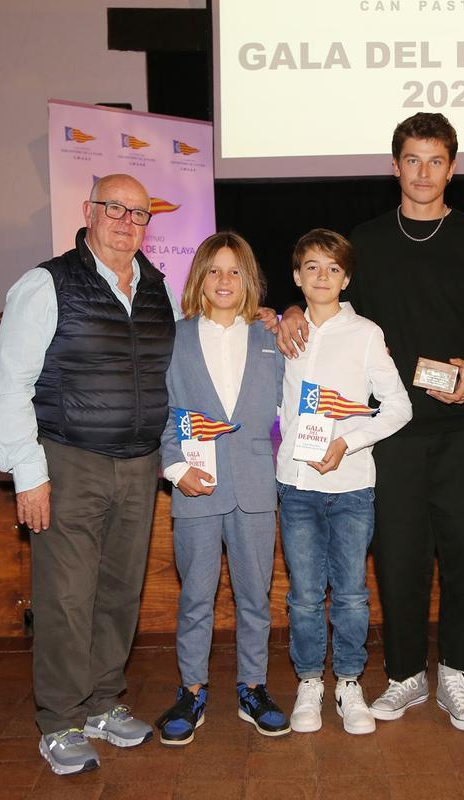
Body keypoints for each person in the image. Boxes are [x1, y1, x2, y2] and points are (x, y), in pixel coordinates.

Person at [278, 113, 464, 731]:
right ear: (395, 166)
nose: (424, 172)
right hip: (393, 431)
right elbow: (332, 295)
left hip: (461, 428)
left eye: (436, 161)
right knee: (400, 557)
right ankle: (406, 674)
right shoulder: (367, 241)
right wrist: (295, 308)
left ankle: (456, 673)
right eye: (412, 160)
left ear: (452, 168)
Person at [0, 174, 178, 775]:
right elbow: (9, 386)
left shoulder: (156, 286)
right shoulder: (46, 283)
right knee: (67, 598)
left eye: (138, 213)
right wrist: (28, 473)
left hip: (139, 462)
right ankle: (60, 721)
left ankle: (100, 703)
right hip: (69, 460)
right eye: (113, 208)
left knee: (120, 592)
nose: (126, 220)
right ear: (89, 211)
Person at [276, 229, 412, 736]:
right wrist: (282, 314)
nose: (322, 276)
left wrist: (347, 442)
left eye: (333, 269)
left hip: (353, 486)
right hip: (296, 486)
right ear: (296, 276)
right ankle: (310, 682)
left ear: (347, 277)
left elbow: (399, 407)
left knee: (352, 593)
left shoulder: (367, 334)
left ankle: (349, 682)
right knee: (305, 595)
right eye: (311, 267)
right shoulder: (286, 334)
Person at [155, 232, 289, 745]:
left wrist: (290, 314)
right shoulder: (176, 337)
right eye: (214, 270)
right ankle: (191, 691)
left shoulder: (270, 340)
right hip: (195, 487)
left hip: (256, 487)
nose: (224, 280)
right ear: (199, 280)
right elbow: (163, 414)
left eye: (235, 271)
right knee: (195, 598)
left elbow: (296, 403)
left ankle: (253, 688)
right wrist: (173, 468)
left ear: (249, 280)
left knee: (255, 597)